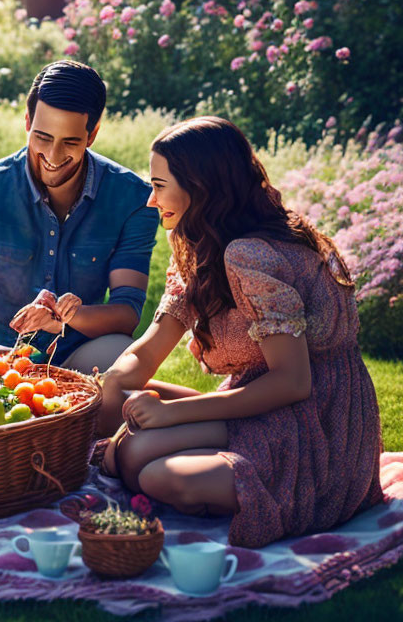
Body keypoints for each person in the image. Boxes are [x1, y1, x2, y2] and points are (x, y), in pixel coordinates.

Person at [95, 116, 383, 548]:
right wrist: (111, 384)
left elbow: (294, 382)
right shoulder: (198, 244)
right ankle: (195, 462)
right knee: (121, 422)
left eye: (159, 186)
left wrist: (171, 415)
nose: (152, 201)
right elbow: (153, 343)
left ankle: (241, 482)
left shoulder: (251, 255)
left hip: (317, 423)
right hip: (257, 405)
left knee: (146, 467)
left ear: (201, 186)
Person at [0, 60, 159, 376]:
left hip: (84, 356)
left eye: (70, 142)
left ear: (93, 134)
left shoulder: (133, 199)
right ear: (27, 122)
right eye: (42, 137)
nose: (54, 157)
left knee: (121, 354)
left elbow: (127, 312)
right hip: (5, 357)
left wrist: (64, 317)